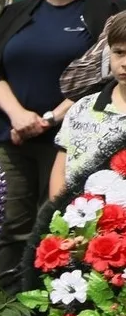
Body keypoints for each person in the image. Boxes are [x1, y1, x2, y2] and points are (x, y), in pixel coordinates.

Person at [0, 0, 126, 316]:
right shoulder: (19, 12)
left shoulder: (107, 11)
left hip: (81, 140)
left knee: (64, 227)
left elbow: (106, 73)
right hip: (16, 137)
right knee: (11, 226)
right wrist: (18, 114)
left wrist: (51, 117)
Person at [51, 13, 126, 199]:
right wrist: (58, 213)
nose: (124, 63)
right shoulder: (83, 108)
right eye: (119, 53)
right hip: (78, 222)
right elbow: (60, 171)